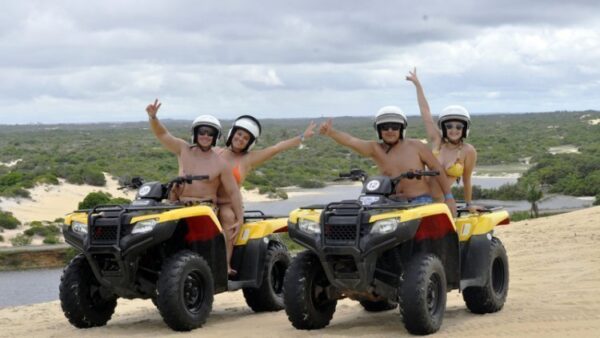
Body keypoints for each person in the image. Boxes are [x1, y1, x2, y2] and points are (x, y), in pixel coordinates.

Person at [145, 99, 244, 274]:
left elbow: (233, 193)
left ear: (215, 137)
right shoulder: (184, 150)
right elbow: (163, 135)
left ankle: (225, 265)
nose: (205, 136)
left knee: (229, 220)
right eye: (202, 132)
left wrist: (240, 218)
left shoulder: (221, 164)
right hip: (179, 205)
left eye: (210, 133)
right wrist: (153, 118)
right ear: (195, 133)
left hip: (205, 209)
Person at [216, 115, 316, 274]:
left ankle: (225, 264)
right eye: (239, 134)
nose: (241, 139)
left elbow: (277, 148)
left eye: (246, 137)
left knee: (228, 218)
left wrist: (302, 137)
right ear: (232, 134)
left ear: (250, 142)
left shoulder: (248, 159)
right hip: (209, 201)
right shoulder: (217, 152)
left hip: (229, 204)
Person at [319, 106, 457, 213]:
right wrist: (331, 133)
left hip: (419, 201)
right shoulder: (375, 148)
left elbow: (437, 169)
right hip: (390, 202)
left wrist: (449, 198)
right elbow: (351, 141)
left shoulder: (417, 146)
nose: (390, 130)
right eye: (385, 127)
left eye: (395, 127)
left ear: (401, 129)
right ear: (379, 130)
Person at [406, 68, 480, 213]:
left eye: (459, 126)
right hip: (419, 199)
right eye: (449, 126)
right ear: (443, 127)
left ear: (464, 129)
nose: (454, 130)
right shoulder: (437, 141)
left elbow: (467, 180)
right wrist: (418, 85)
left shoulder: (468, 151)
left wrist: (469, 204)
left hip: (442, 202)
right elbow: (425, 113)